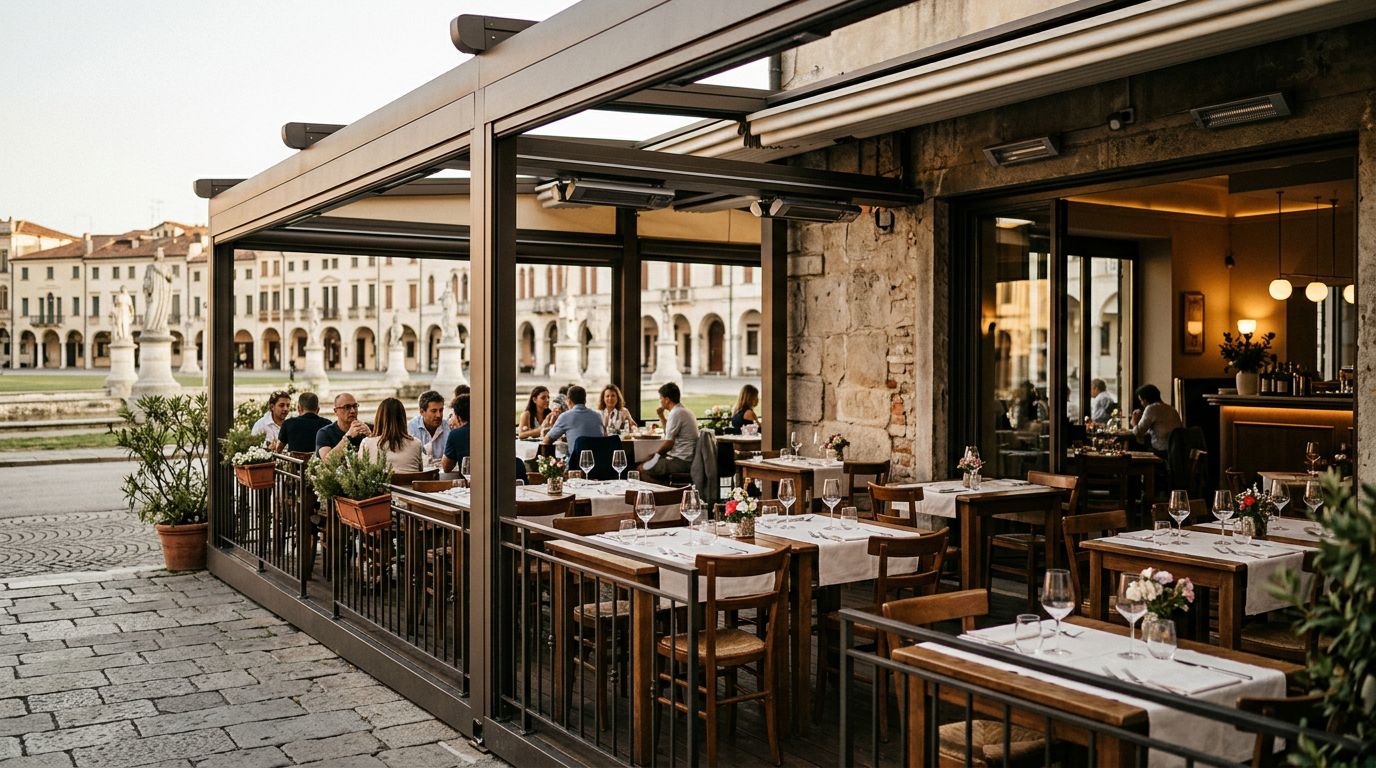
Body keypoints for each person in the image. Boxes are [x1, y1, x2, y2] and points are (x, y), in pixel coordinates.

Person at [641, 382, 698, 481]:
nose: (660, 401)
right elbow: (668, 434)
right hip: (687, 458)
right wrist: (661, 416)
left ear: (667, 400)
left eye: (660, 398)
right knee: (650, 463)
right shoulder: (683, 411)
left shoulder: (676, 413)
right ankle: (666, 488)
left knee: (641, 468)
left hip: (681, 461)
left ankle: (664, 493)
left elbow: (669, 443)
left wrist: (656, 456)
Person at [360, 398, 423, 472]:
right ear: (403, 419)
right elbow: (420, 472)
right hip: (409, 483)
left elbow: (359, 472)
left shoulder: (367, 443)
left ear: (379, 418)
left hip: (380, 483)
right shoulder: (416, 444)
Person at [544, 385, 604, 451]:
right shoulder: (598, 416)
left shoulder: (565, 416)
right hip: (598, 459)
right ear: (585, 401)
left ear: (569, 401)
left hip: (576, 460)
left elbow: (547, 440)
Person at [316, 392, 371, 459]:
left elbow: (384, 456)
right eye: (347, 407)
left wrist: (371, 436)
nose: (352, 411)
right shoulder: (325, 433)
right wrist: (348, 437)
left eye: (355, 406)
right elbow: (327, 461)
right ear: (336, 411)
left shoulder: (368, 429)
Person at [1131, 384, 1183, 454]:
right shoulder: (1171, 409)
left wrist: (1134, 422)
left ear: (1145, 400)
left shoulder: (1151, 408)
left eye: (1141, 400)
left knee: (1134, 447)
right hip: (1176, 450)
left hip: (1161, 450)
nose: (1141, 403)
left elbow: (1138, 432)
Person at [409, 390, 450, 466]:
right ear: (422, 412)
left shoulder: (449, 428)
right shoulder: (411, 428)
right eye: (434, 411)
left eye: (441, 410)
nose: (438, 415)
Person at [442, 394, 471, 473]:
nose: (452, 417)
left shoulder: (456, 434)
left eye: (453, 414)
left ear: (458, 416)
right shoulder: (486, 429)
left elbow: (446, 467)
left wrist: (455, 431)